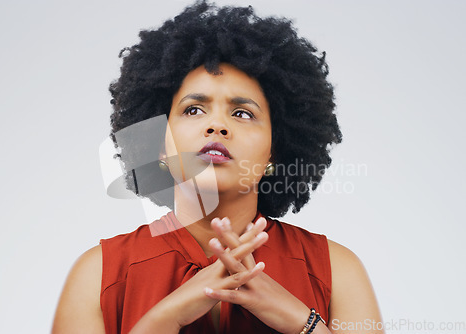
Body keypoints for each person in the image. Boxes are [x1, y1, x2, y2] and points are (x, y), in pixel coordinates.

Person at [52, 1, 384, 333]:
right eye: (194, 110)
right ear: (160, 145)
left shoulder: (336, 271)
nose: (217, 126)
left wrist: (302, 321)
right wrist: (163, 319)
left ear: (275, 152)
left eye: (242, 113)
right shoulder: (99, 274)